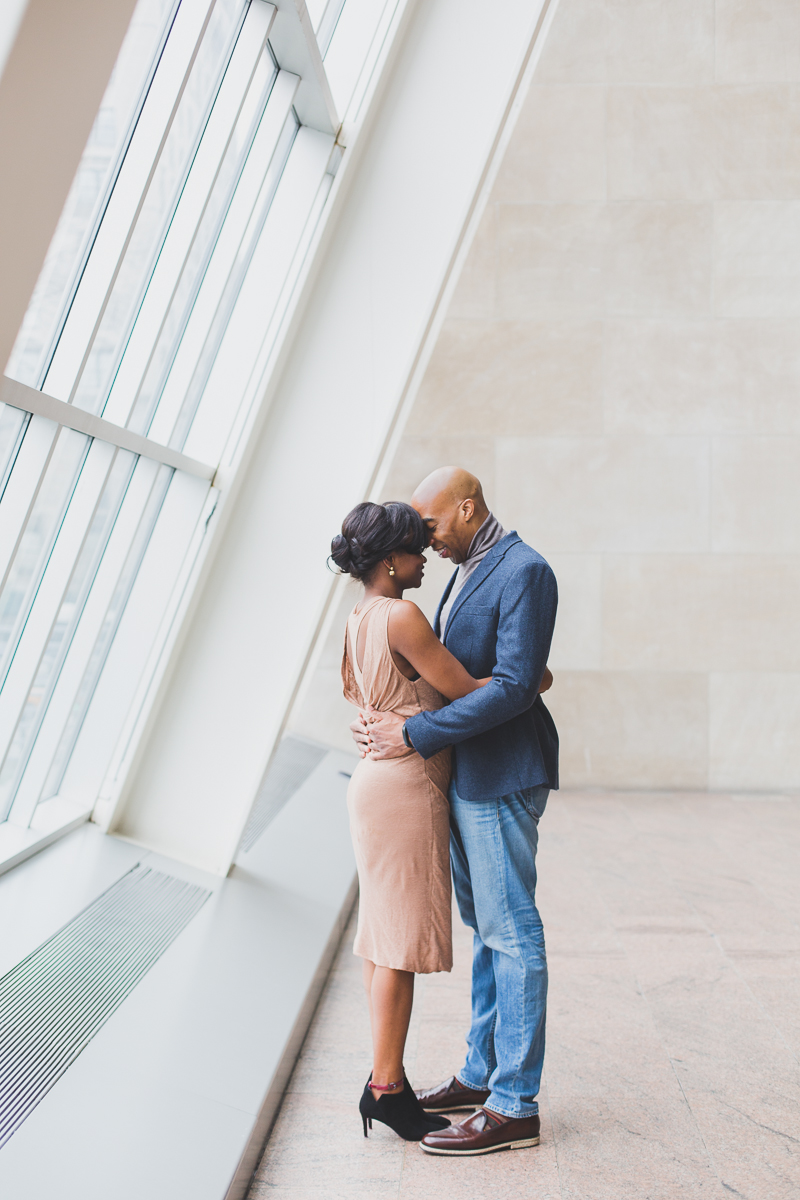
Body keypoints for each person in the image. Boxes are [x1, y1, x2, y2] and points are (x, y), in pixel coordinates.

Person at [351, 466, 558, 1157]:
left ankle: (514, 1105)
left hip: (500, 774)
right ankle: (480, 1071)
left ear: (467, 509)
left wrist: (414, 733)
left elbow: (509, 691)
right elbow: (488, 673)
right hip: (466, 776)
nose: (424, 539)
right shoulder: (466, 567)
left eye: (431, 525)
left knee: (512, 933)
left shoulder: (524, 569)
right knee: (486, 930)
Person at [331, 499, 491, 1143]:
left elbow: (365, 699)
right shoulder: (402, 615)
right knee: (395, 946)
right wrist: (532, 679)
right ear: (391, 562)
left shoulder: (359, 615)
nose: (423, 558)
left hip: (374, 784)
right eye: (413, 549)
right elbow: (468, 692)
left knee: (380, 939)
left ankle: (384, 1079)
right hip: (405, 787)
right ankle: (387, 1087)